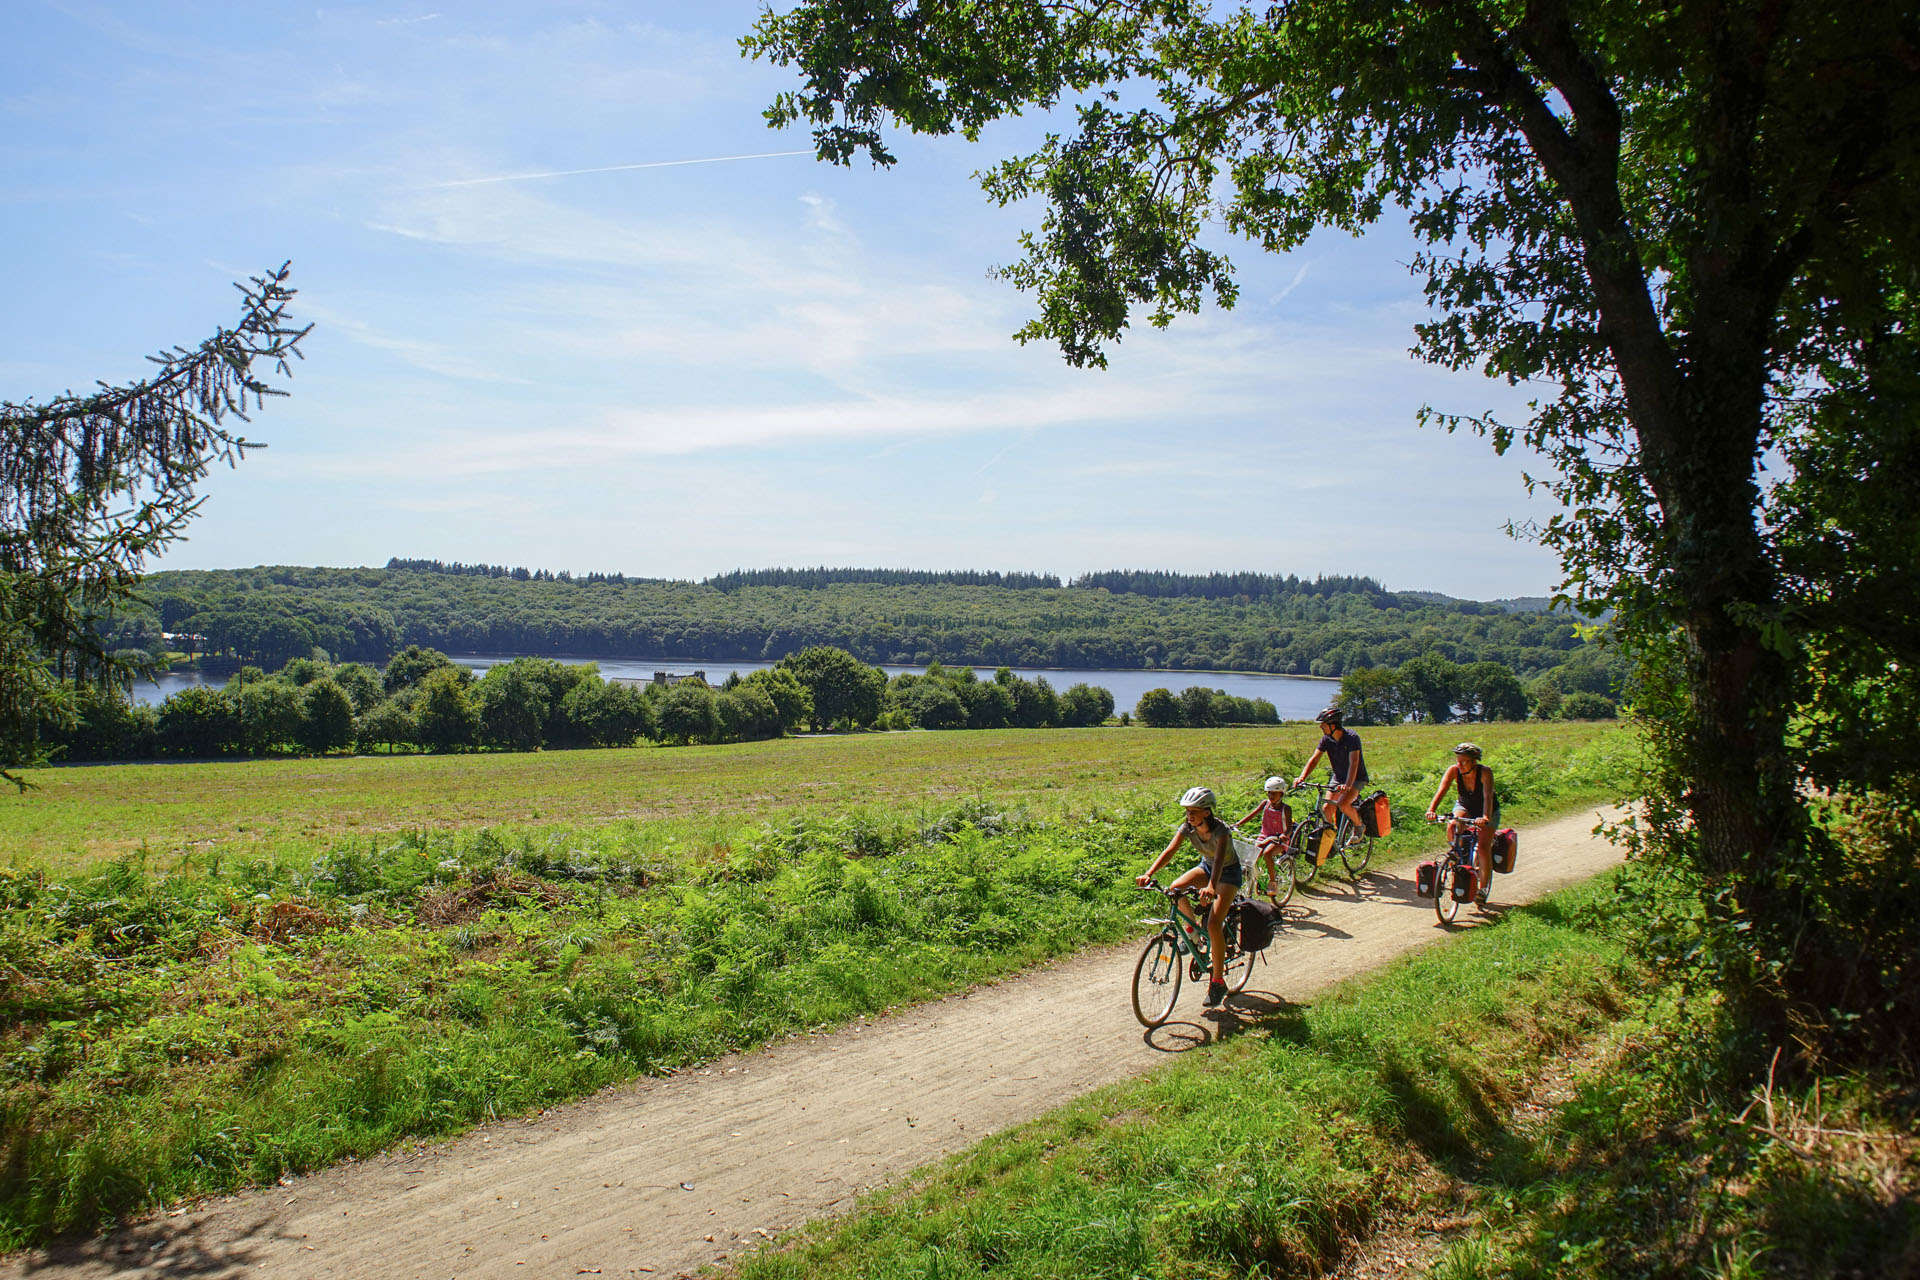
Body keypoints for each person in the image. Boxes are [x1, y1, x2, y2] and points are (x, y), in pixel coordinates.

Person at [1136, 786, 1241, 1008]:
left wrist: (1212, 888)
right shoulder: (1188, 828)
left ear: (1207, 812)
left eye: (1194, 810)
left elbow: (1221, 861)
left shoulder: (1221, 831)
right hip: (1207, 867)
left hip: (1228, 874)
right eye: (1187, 811)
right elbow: (1169, 851)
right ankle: (1192, 933)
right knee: (1175, 889)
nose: (1189, 815)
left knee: (1213, 924)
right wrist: (1149, 873)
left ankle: (1218, 982)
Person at [1425, 742, 1498, 902]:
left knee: (1484, 849)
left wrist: (1485, 817)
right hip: (1465, 805)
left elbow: (1488, 797)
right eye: (1458, 760)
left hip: (1487, 809)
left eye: (1464, 761)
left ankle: (1483, 889)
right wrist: (1431, 810)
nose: (1460, 764)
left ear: (1474, 761)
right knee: (1452, 824)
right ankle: (1458, 856)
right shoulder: (1454, 770)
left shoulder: (1485, 772)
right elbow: (1441, 790)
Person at [1293, 707, 1368, 839]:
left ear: (1333, 725)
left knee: (1343, 804)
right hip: (1338, 777)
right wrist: (1302, 777)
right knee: (1327, 808)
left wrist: (1348, 785)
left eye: (1324, 724)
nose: (1321, 727)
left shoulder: (1352, 738)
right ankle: (1330, 840)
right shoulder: (1326, 739)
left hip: (1356, 778)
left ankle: (1359, 826)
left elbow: (1354, 763)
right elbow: (1314, 759)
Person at [1234, 775, 1293, 902]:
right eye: (1269, 793)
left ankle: (1272, 883)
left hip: (1278, 839)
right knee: (1252, 855)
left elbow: (1289, 828)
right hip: (1264, 836)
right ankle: (1257, 878)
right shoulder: (1265, 804)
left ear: (1281, 793)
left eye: (1274, 794)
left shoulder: (1286, 809)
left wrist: (1284, 835)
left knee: (1267, 853)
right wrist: (1238, 824)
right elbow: (1252, 814)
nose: (1270, 796)